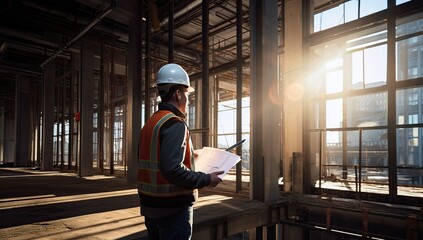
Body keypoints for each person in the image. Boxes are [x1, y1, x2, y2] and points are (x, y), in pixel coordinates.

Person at [138, 63, 224, 240]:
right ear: (177, 94)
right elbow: (172, 169)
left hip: (151, 205)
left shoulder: (151, 123)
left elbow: (155, 157)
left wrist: (190, 156)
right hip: (172, 208)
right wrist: (207, 179)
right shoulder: (174, 123)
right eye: (187, 94)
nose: (189, 99)